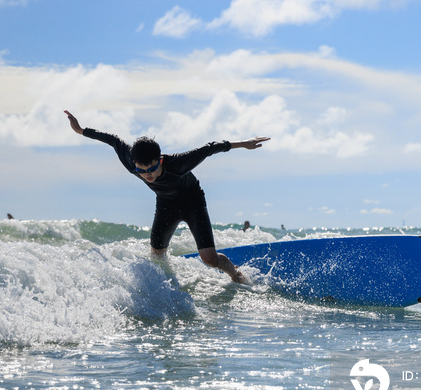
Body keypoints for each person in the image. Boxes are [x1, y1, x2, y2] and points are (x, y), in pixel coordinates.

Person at [64, 110, 270, 283]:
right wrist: (80, 130)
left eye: (152, 169)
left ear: (160, 160)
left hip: (193, 203)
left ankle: (235, 273)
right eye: (141, 171)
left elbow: (209, 148)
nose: (148, 175)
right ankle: (166, 289)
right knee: (157, 255)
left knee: (209, 259)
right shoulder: (131, 162)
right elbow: (112, 140)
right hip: (166, 205)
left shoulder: (178, 164)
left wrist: (244, 143)